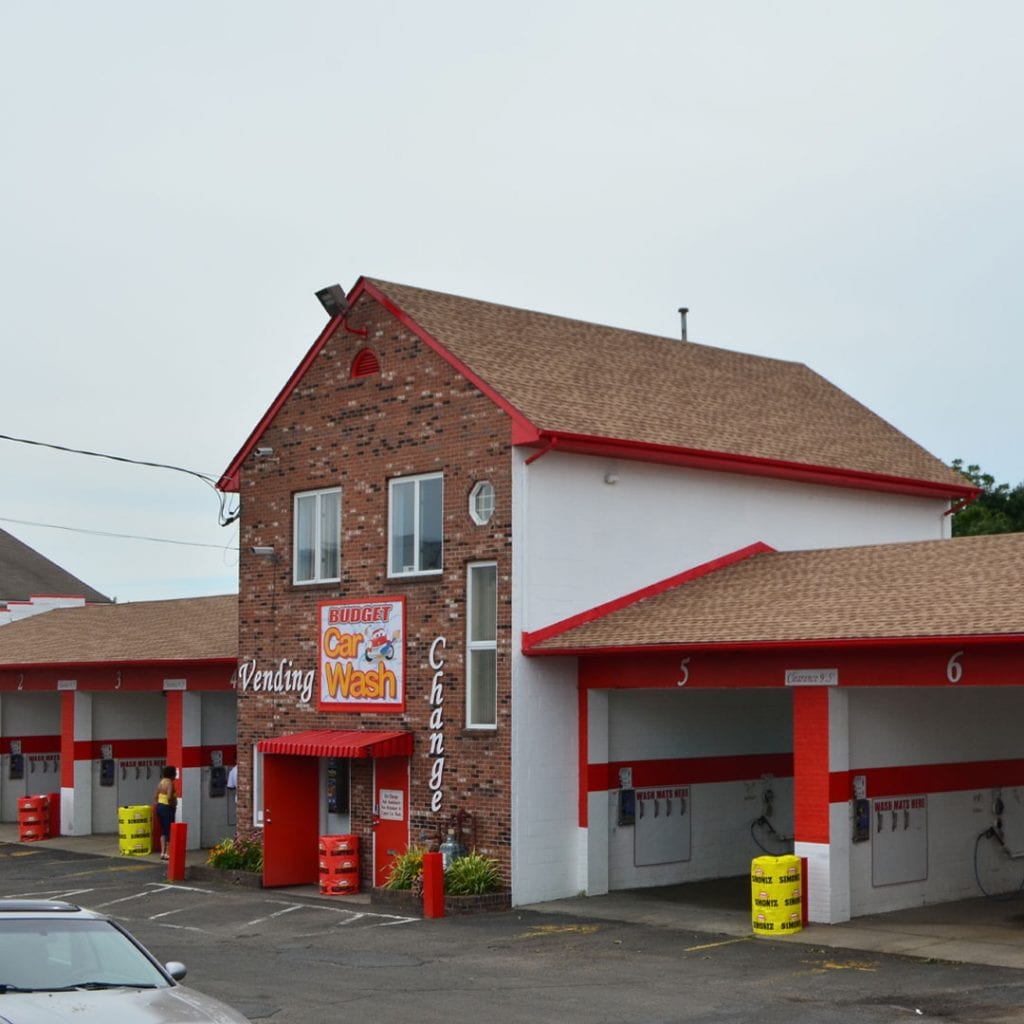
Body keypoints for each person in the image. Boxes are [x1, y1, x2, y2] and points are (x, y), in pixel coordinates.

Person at [154, 765, 177, 861]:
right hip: (167, 808)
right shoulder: (170, 783)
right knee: (169, 829)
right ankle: (168, 852)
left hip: (159, 807)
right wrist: (173, 804)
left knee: (163, 829)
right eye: (175, 773)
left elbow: (156, 797)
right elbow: (169, 797)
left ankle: (162, 852)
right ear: (172, 774)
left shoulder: (161, 783)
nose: (176, 775)